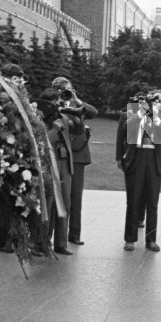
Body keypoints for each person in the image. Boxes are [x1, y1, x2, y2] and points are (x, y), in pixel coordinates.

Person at [116, 89, 161, 252]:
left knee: (152, 202)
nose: (156, 102)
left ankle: (151, 240)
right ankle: (130, 239)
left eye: (159, 101)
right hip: (136, 159)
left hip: (154, 160)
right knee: (133, 200)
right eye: (154, 99)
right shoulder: (132, 113)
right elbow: (124, 131)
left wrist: (154, 115)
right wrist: (119, 158)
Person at [50, 76, 98, 247]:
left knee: (75, 198)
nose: (65, 91)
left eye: (67, 88)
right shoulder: (53, 105)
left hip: (77, 156)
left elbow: (93, 112)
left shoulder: (77, 105)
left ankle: (74, 234)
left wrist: (76, 99)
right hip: (59, 155)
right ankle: (57, 236)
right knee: (58, 198)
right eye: (61, 88)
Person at [0, 63, 26, 253]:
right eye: (16, 76)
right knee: (2, 197)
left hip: (18, 150)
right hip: (3, 152)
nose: (20, 80)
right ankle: (2, 239)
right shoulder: (0, 94)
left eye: (21, 77)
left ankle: (13, 236)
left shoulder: (20, 94)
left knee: (16, 196)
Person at [43, 93, 74, 256]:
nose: (60, 105)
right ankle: (43, 242)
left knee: (65, 204)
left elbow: (81, 128)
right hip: (49, 164)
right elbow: (42, 141)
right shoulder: (41, 119)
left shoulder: (65, 119)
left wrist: (75, 113)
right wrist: (55, 128)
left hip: (65, 164)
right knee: (48, 205)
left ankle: (61, 243)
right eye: (56, 103)